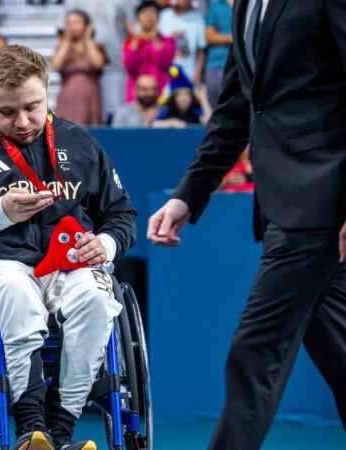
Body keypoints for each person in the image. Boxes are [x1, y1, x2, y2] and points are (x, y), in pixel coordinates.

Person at [147, 0, 346, 448]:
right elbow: (238, 109)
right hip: (285, 204)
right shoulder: (242, 7)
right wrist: (187, 196)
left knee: (255, 352)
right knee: (339, 350)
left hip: (321, 199)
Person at [0, 44, 136, 450]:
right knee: (17, 297)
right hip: (2, 264)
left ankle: (59, 430)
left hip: (72, 265)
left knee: (96, 298)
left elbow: (122, 216)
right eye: (6, 111)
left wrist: (105, 243)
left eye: (33, 107)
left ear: (48, 91)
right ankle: (30, 425)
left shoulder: (80, 142)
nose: (22, 121)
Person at [61, 0, 138, 122]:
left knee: (114, 116)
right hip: (83, 70)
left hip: (115, 65)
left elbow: (134, 27)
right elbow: (62, 29)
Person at [51, 9, 106, 126]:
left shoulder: (96, 47)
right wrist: (66, 42)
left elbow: (98, 64)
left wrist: (87, 39)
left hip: (90, 96)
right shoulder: (62, 48)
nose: (72, 26)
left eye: (76, 22)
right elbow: (56, 65)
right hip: (68, 96)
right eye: (68, 23)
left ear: (87, 25)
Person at [122, 1, 175, 103]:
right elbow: (129, 66)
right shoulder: (130, 42)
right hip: (136, 93)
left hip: (160, 92)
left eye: (152, 13)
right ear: (138, 18)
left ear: (158, 18)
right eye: (144, 13)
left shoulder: (168, 41)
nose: (148, 16)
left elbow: (165, 63)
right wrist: (136, 39)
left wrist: (155, 38)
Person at [158, 0, 207, 87]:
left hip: (189, 74)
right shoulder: (163, 16)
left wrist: (198, 73)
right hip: (165, 75)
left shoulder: (197, 18)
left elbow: (201, 49)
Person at [204, 0, 234, 109]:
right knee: (216, 109)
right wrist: (233, 38)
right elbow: (209, 36)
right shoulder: (215, 4)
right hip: (217, 64)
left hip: (240, 65)